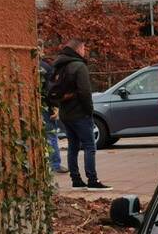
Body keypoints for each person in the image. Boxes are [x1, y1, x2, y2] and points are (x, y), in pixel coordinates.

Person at [52, 39, 110, 190]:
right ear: (78, 50)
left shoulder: (59, 66)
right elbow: (85, 92)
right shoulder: (79, 66)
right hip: (80, 113)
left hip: (66, 113)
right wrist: (89, 111)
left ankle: (76, 180)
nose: (85, 51)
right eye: (84, 48)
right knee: (90, 146)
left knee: (73, 147)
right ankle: (92, 180)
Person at [39, 56, 67, 174]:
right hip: (46, 106)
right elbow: (51, 89)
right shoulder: (45, 67)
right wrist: (55, 106)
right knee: (51, 135)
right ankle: (55, 164)